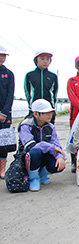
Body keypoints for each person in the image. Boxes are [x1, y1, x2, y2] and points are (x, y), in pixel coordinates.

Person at [18, 99, 66, 192]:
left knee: (59, 164)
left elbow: (56, 145)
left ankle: (42, 175)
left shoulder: (51, 127)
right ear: (36, 114)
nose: (50, 115)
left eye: (50, 112)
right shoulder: (26, 125)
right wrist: (50, 147)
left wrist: (60, 157)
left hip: (45, 156)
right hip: (29, 158)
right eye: (46, 113)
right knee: (34, 153)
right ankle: (33, 178)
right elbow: (29, 145)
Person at [24, 49, 58, 124]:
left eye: (48, 59)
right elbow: (27, 92)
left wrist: (52, 106)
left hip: (49, 109)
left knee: (48, 131)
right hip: (34, 109)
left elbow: (55, 92)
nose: (45, 61)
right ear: (36, 60)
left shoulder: (53, 76)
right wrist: (30, 106)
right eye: (42, 58)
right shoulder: (30, 75)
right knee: (34, 130)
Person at [0, 45, 15, 179]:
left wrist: (4, 113)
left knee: (4, 143)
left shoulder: (9, 74)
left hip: (4, 115)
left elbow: (10, 95)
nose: (1, 58)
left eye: (3, 55)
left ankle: (2, 169)